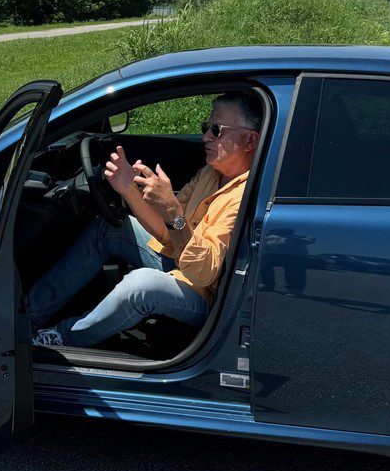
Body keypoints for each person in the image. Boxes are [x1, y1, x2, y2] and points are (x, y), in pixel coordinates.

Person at [28, 92, 261, 348]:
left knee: (139, 285)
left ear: (249, 140)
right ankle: (28, 316)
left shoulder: (245, 195)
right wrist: (129, 190)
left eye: (216, 130)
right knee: (111, 227)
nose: (206, 136)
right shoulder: (211, 172)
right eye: (206, 127)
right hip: (184, 263)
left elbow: (202, 274)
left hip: (208, 296)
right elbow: (166, 233)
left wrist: (172, 209)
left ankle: (63, 337)